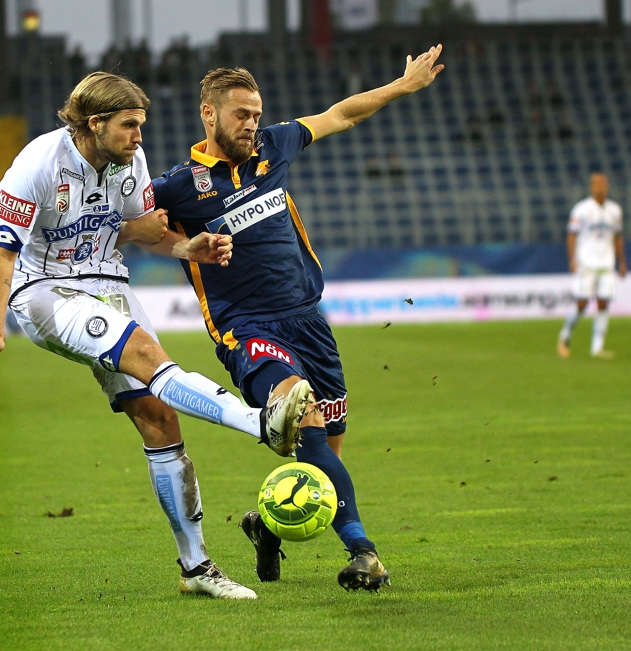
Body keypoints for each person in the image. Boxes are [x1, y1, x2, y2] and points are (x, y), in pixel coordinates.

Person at [0, 72, 313, 600]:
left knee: (160, 418)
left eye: (141, 126)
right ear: (94, 123)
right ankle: (260, 424)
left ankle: (196, 569)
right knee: (148, 356)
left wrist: (186, 249)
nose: (139, 137)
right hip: (46, 292)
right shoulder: (36, 165)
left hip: (110, 284)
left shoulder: (131, 163)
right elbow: (2, 256)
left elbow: (135, 230)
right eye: (129, 126)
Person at [149, 49, 444, 592]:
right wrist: (186, 245)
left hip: (309, 321)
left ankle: (267, 525)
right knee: (302, 417)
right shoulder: (176, 186)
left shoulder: (275, 146)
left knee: (323, 453)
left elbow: (341, 114)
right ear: (208, 115)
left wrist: (402, 86)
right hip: (248, 329)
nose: (252, 123)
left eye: (257, 113)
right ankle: (364, 552)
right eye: (241, 114)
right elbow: (133, 228)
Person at [557, 173, 626, 359]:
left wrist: (622, 262)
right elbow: (572, 234)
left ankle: (597, 348)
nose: (601, 188)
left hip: (606, 263)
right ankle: (565, 335)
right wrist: (572, 258)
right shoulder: (581, 209)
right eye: (597, 184)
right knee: (582, 303)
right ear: (591, 187)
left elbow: (618, 237)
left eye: (604, 184)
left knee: (603, 303)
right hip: (586, 262)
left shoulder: (615, 210)